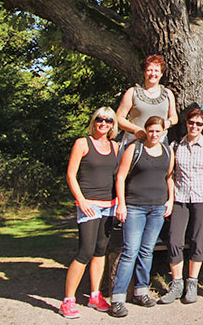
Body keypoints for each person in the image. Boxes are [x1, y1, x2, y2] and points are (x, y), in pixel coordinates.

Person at [109, 116, 174, 318]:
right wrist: (121, 203)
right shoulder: (134, 149)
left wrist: (170, 200)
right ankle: (118, 298)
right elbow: (120, 176)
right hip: (135, 207)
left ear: (163, 131)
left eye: (158, 131)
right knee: (130, 251)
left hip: (157, 207)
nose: (154, 134)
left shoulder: (167, 151)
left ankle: (141, 291)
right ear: (146, 131)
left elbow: (169, 176)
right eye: (151, 131)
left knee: (147, 251)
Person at [59, 107, 119, 319]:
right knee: (85, 251)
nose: (104, 124)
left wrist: (119, 201)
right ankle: (68, 300)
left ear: (113, 125)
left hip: (109, 204)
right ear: (94, 121)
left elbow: (117, 177)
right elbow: (70, 174)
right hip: (88, 204)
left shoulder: (115, 146)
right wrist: (81, 200)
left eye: (108, 121)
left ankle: (95, 295)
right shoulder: (82, 143)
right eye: (100, 120)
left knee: (101, 250)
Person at [159, 109, 203, 305]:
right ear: (186, 123)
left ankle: (192, 282)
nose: (194, 127)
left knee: (197, 239)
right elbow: (170, 175)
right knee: (174, 239)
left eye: (199, 124)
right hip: (180, 198)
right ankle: (177, 283)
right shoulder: (176, 145)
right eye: (191, 123)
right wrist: (170, 199)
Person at [116, 54, 178, 146]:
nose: (153, 74)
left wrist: (168, 123)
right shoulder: (133, 92)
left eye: (156, 71)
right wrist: (136, 130)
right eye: (149, 70)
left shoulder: (168, 94)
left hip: (159, 142)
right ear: (144, 73)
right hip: (134, 141)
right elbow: (119, 117)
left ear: (161, 74)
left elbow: (174, 117)